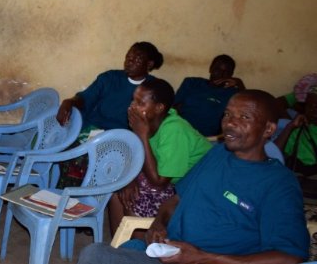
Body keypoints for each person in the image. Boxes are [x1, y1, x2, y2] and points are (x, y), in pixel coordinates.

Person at [78, 90, 310, 264]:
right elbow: (176, 200)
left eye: (244, 117)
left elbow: (290, 255)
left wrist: (203, 257)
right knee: (94, 253)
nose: (230, 122)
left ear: (268, 130)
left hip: (211, 261)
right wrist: (158, 224)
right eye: (228, 114)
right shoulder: (218, 154)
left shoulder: (279, 184)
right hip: (168, 254)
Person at [108, 78, 210, 236]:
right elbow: (137, 156)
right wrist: (130, 178)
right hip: (169, 181)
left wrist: (141, 134)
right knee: (119, 189)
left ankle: (139, 250)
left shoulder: (174, 129)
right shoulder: (149, 122)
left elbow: (159, 181)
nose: (132, 106)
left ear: (159, 108)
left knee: (134, 198)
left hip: (195, 190)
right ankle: (120, 248)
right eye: (133, 100)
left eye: (140, 103)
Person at [55, 42, 164, 188]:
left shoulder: (154, 89)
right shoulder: (110, 78)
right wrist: (69, 102)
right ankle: (64, 196)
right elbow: (85, 98)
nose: (129, 61)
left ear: (149, 64)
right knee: (66, 149)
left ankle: (72, 199)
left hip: (122, 140)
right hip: (93, 131)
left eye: (136, 58)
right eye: (128, 57)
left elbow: (155, 121)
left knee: (83, 159)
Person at [173, 54, 245, 137]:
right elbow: (174, 108)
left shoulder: (232, 93)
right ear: (210, 68)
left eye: (226, 72)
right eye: (218, 69)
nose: (221, 74)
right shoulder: (192, 83)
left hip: (209, 138)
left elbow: (247, 106)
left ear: (231, 75)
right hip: (181, 132)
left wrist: (239, 83)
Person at [275, 85, 317, 176]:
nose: (313, 110)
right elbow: (273, 155)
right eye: (309, 106)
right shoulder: (297, 129)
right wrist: (290, 127)